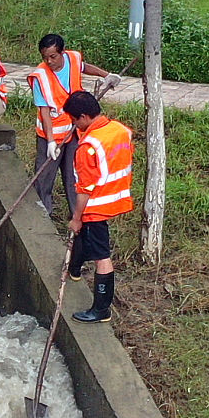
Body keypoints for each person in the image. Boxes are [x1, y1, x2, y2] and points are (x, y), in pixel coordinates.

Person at [28, 34, 121, 216]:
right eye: (45, 57)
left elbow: (84, 67)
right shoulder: (40, 76)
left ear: (62, 52)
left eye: (53, 56)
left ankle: (78, 215)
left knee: (73, 175)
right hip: (51, 134)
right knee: (44, 177)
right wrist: (50, 141)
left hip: (75, 131)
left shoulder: (72, 59)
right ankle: (41, 215)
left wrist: (106, 75)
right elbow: (45, 112)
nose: (49, 61)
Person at [62, 90, 133, 324]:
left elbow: (84, 189)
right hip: (117, 196)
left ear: (83, 117)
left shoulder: (87, 147)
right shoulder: (120, 130)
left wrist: (76, 216)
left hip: (97, 204)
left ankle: (101, 310)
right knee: (85, 235)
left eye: (74, 120)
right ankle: (74, 269)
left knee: (102, 257)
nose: (74, 125)